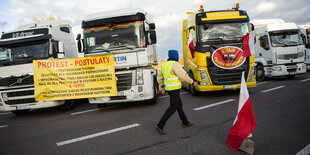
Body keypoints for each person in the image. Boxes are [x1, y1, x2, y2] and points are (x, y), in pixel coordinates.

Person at [155, 50, 198, 135]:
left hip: (169, 89)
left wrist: (162, 87)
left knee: (179, 106)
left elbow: (159, 77)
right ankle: (160, 125)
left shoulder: (165, 65)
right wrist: (192, 82)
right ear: (176, 56)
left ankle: (185, 122)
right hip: (175, 89)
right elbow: (183, 76)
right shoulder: (175, 64)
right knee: (172, 108)